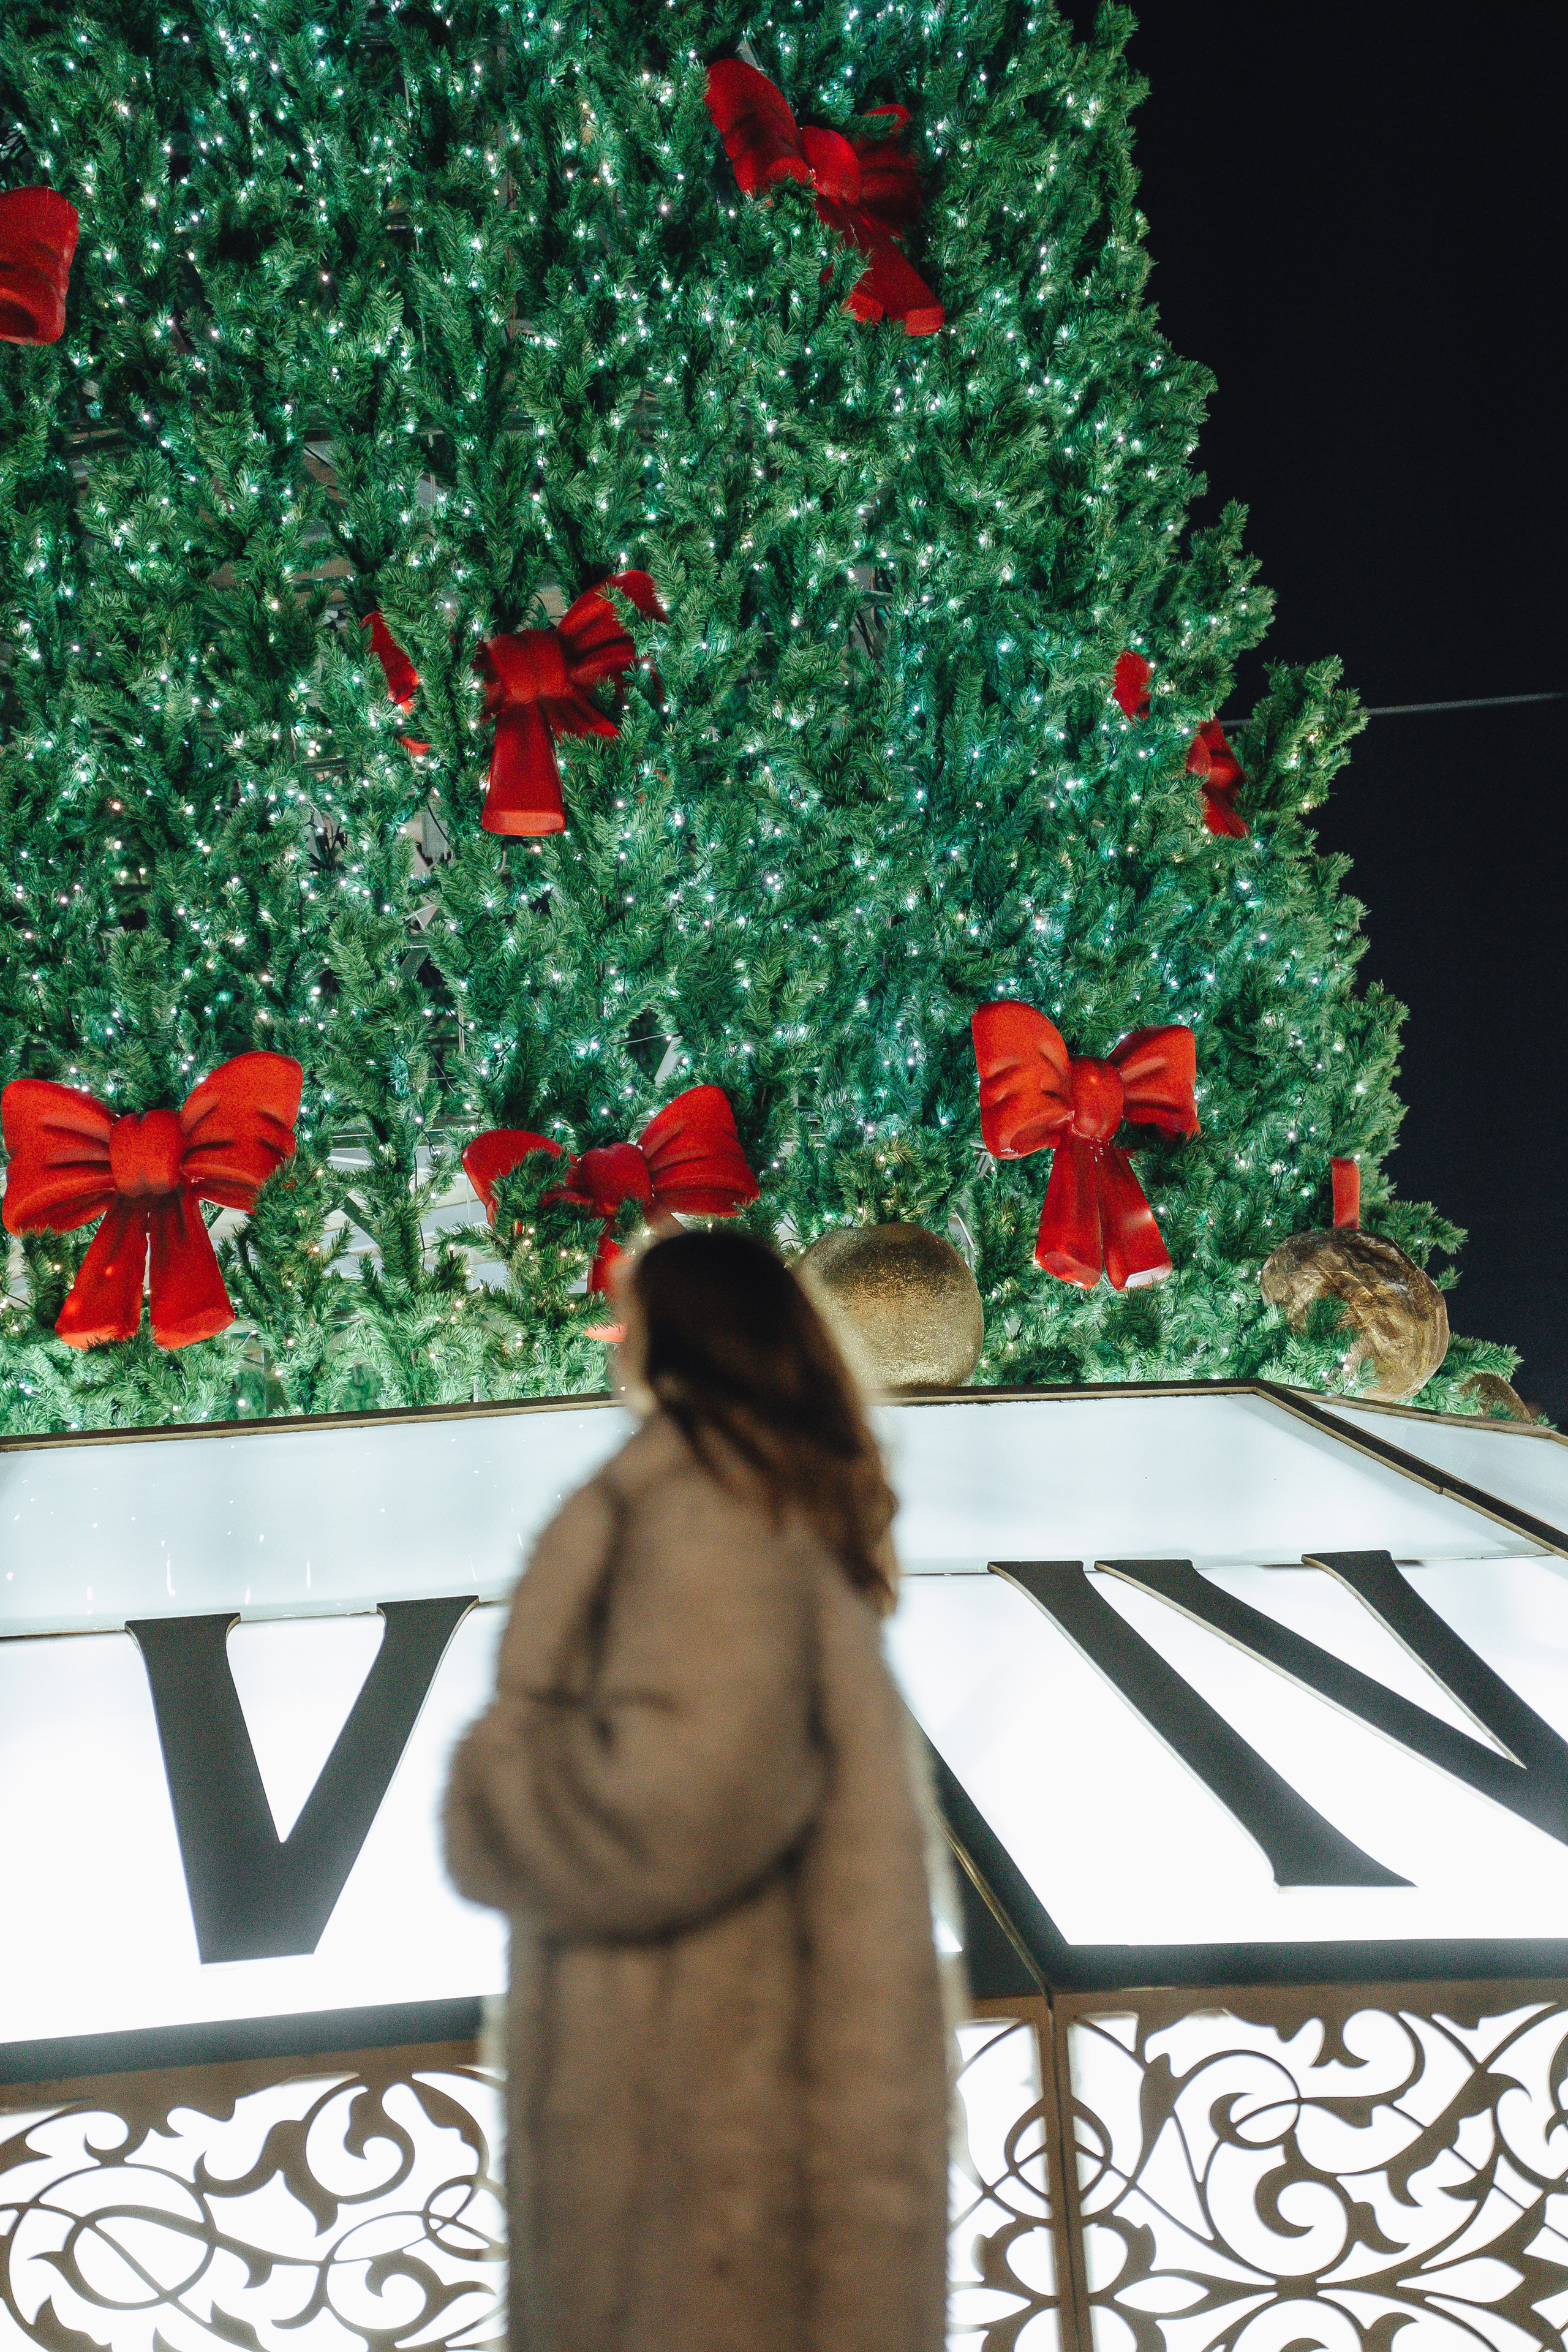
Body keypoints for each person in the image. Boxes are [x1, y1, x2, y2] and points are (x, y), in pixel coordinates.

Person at [443, 1226, 952, 2352]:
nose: (613, 1340)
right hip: (736, 2134)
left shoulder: (704, 1515)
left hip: (695, 2181)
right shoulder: (756, 1498)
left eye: (627, 1316)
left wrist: (497, 1776)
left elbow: (671, 1814)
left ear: (679, 1336)